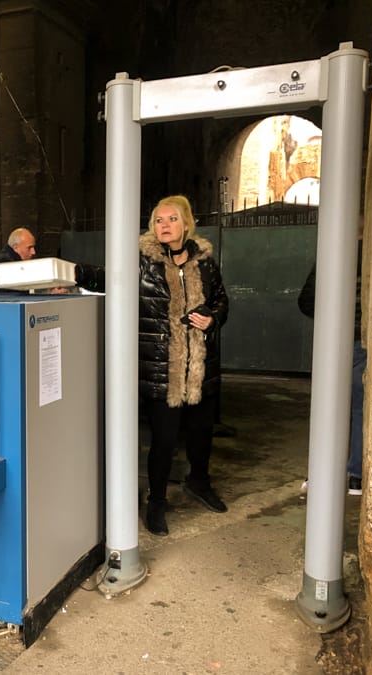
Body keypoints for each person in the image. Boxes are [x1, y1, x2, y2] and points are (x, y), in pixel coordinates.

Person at [139, 195, 230, 536]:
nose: (164, 225)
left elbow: (222, 299)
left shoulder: (205, 261)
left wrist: (213, 317)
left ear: (186, 224)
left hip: (201, 365)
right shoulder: (142, 261)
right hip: (162, 367)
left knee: (201, 434)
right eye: (159, 220)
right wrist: (69, 276)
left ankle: (199, 482)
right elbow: (107, 278)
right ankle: (157, 502)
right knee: (163, 441)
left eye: (171, 219)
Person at [297, 244, 365, 496]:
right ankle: (355, 477)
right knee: (360, 409)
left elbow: (305, 301)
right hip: (366, 339)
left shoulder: (333, 249)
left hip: (335, 340)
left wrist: (332, 316)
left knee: (330, 409)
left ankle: (322, 472)